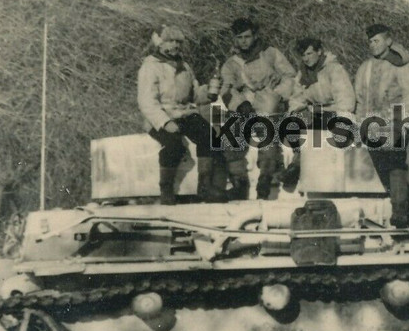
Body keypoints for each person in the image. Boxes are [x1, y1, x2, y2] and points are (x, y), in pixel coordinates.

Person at [137, 25, 228, 204]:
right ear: (160, 43)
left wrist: (209, 92)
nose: (175, 45)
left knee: (209, 136)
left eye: (178, 41)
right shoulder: (150, 67)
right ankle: (166, 189)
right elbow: (147, 102)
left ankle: (205, 187)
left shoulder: (184, 66)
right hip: (160, 115)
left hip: (184, 113)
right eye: (170, 41)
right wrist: (164, 122)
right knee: (173, 145)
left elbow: (194, 94)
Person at [218, 17, 298, 200]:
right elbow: (226, 88)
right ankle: (239, 182)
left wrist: (277, 93)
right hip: (244, 105)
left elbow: (290, 76)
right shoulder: (231, 63)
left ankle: (265, 178)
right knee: (230, 134)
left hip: (269, 102)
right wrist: (240, 103)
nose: (243, 41)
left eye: (247, 36)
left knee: (268, 132)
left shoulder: (270, 54)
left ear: (255, 36)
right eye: (239, 37)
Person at [353, 23, 409, 230]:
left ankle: (400, 214)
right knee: (384, 171)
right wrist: (359, 126)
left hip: (396, 124)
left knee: (395, 168)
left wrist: (406, 126)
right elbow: (359, 99)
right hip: (371, 128)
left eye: (377, 40)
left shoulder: (402, 66)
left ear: (388, 41)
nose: (373, 45)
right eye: (370, 41)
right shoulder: (365, 68)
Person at [280, 36, 356, 190]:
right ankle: (295, 166)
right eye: (303, 55)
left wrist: (321, 110)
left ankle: (299, 166)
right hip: (316, 113)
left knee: (320, 129)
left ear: (319, 52)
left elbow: (346, 102)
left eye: (309, 54)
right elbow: (297, 98)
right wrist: (294, 112)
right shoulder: (303, 74)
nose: (306, 59)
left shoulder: (334, 70)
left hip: (337, 113)